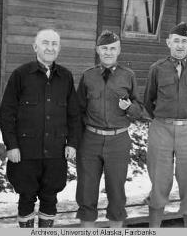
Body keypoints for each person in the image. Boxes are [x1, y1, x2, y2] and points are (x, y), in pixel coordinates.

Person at [0, 29, 81, 228]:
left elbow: (74, 114)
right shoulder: (20, 75)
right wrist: (11, 145)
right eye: (45, 43)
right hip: (25, 152)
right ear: (35, 47)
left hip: (55, 152)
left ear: (59, 48)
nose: (50, 48)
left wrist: (72, 143)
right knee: (26, 197)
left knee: (50, 197)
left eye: (54, 44)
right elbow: (7, 113)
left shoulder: (66, 77)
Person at [143, 22, 187, 227]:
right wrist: (164, 118)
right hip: (161, 128)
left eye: (184, 41)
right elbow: (148, 99)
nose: (180, 45)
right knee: (159, 180)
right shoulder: (157, 68)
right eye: (176, 41)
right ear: (168, 42)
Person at [76, 30, 144, 228]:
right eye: (104, 48)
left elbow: (139, 109)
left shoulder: (128, 76)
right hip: (90, 140)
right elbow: (78, 110)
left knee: (116, 192)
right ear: (98, 50)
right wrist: (76, 141)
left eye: (112, 48)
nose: (108, 52)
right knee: (86, 191)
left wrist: (129, 107)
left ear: (119, 50)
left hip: (118, 141)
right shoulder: (88, 76)